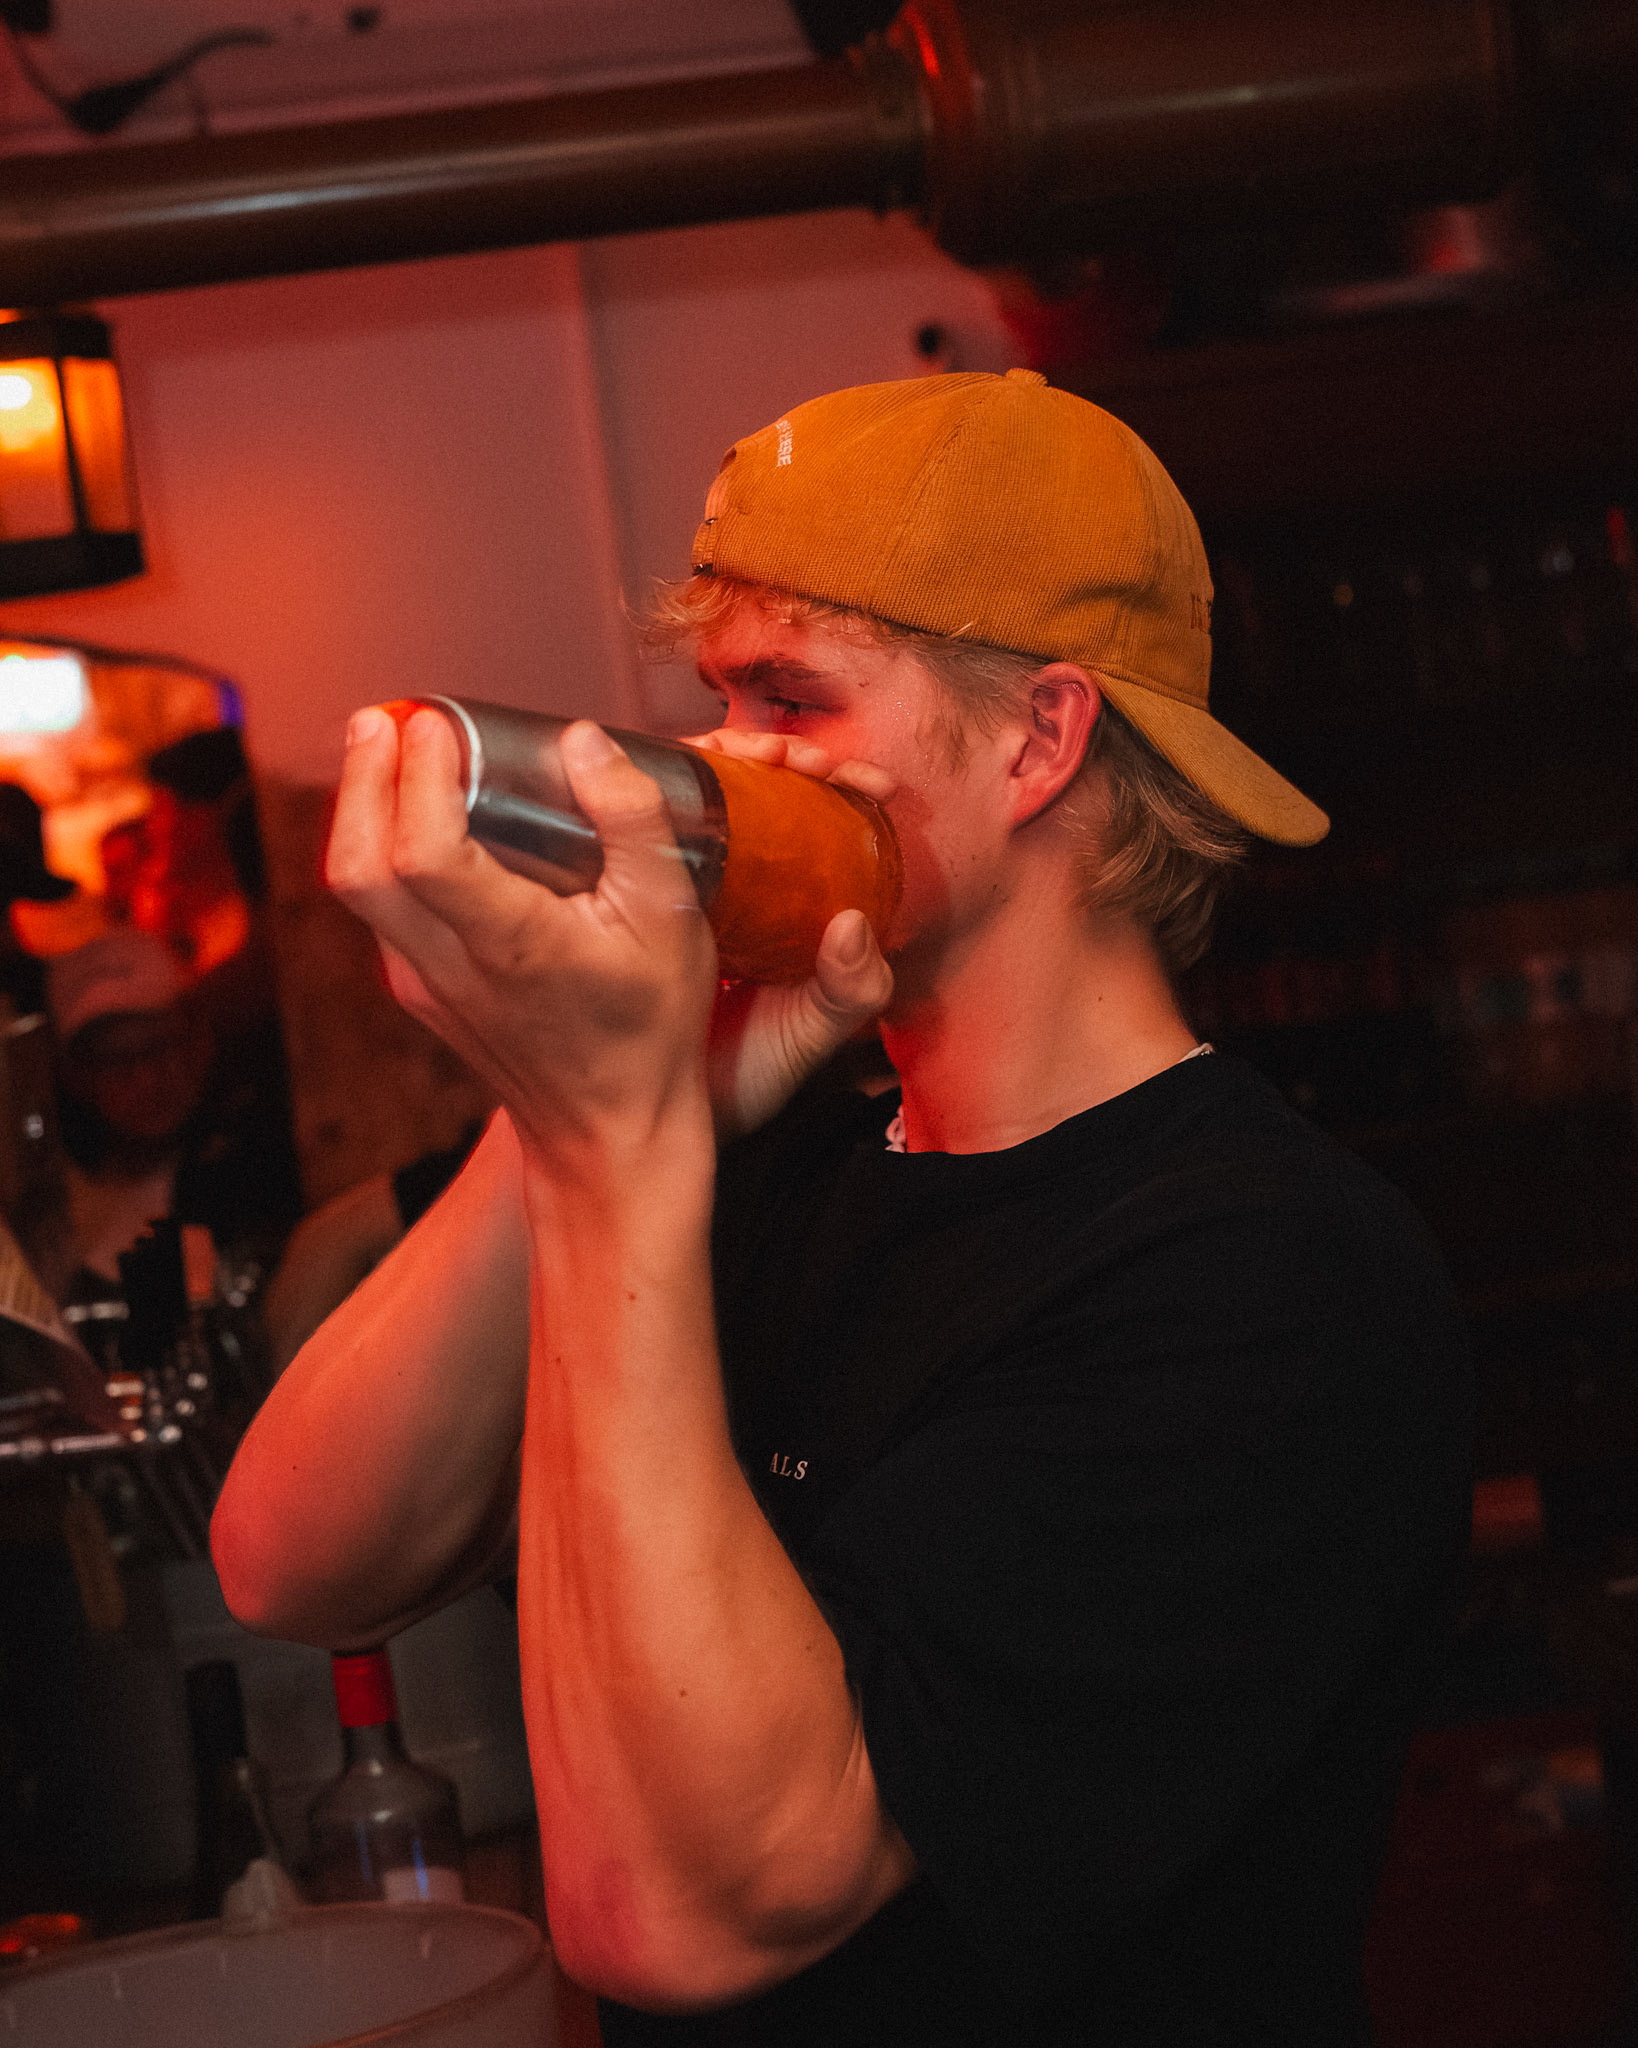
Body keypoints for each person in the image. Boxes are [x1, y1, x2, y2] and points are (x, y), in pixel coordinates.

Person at [211, 371, 1471, 2046]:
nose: (726, 761)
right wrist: (591, 1108)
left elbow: (681, 1918)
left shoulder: (1265, 1273)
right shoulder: (768, 1147)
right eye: (719, 700)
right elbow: (296, 1562)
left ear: (1039, 741)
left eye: (790, 699)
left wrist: (610, 1142)